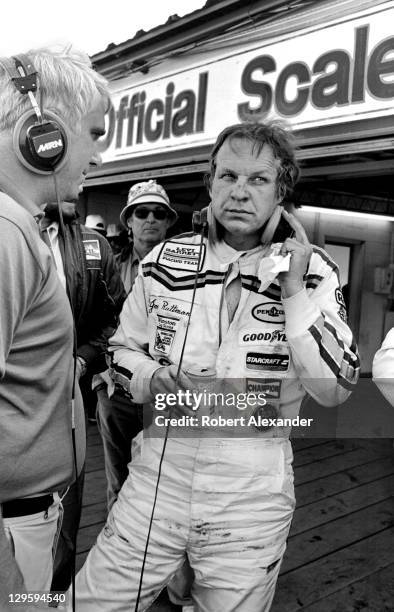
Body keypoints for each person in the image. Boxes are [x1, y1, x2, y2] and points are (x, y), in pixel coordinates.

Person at [71, 121, 360, 611]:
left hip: (250, 495)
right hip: (156, 479)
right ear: (210, 184)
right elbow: (121, 349)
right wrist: (151, 377)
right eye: (228, 176)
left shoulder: (313, 271)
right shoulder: (165, 259)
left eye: (257, 180)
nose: (239, 193)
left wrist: (291, 291)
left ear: (281, 193)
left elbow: (336, 388)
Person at [0, 46, 108, 596]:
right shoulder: (7, 234)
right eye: (94, 133)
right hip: (10, 537)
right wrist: (8, 586)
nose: (98, 155)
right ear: (46, 133)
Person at [40, 201, 125, 592]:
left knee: (62, 530)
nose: (93, 160)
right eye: (87, 136)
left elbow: (115, 318)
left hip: (65, 407)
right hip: (12, 415)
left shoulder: (93, 246)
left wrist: (82, 360)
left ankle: (50, 600)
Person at [95, 179, 177, 511]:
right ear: (129, 220)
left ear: (170, 221)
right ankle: (118, 556)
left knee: (165, 486)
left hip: (166, 391)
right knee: (119, 482)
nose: (151, 219)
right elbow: (95, 320)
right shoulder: (108, 265)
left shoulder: (192, 269)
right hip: (116, 391)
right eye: (142, 212)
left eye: (159, 213)